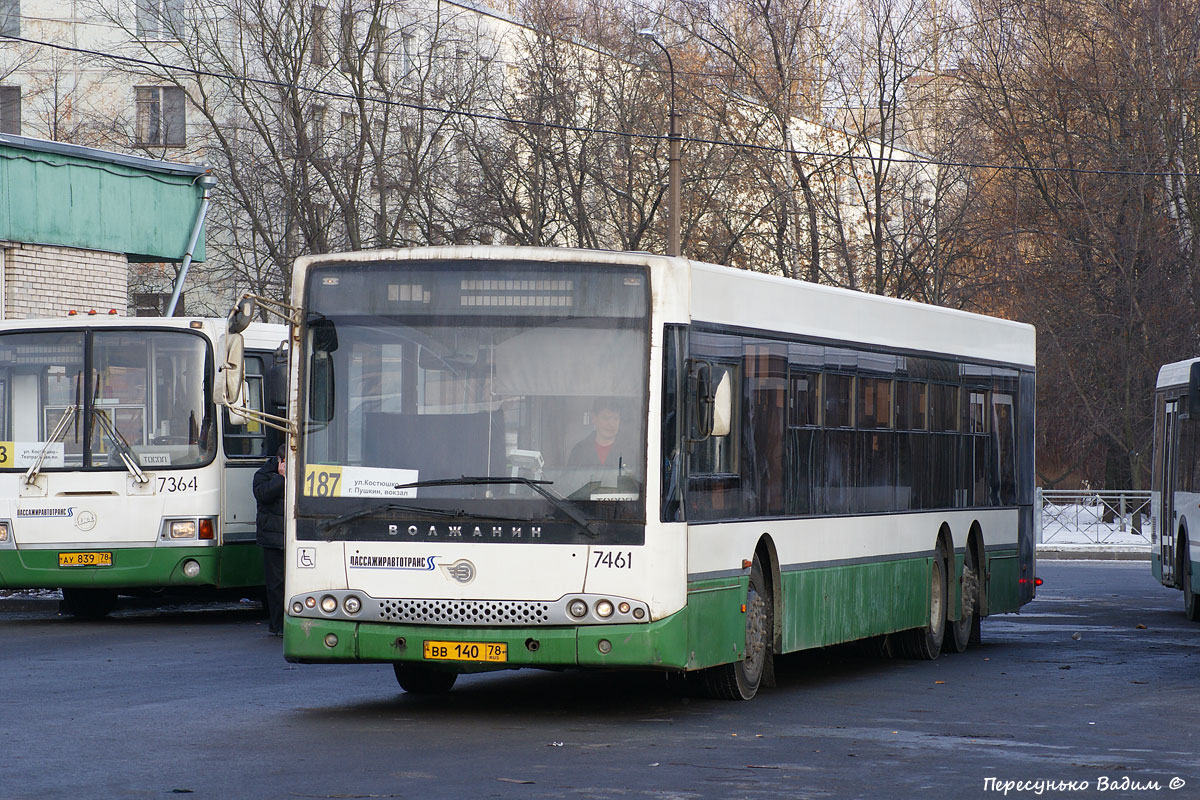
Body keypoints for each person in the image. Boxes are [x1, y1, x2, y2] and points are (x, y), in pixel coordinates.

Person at [254, 443, 287, 636]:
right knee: (276, 585)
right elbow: (263, 495)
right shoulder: (263, 475)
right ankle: (277, 625)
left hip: (292, 537)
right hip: (273, 538)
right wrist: (281, 478)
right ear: (279, 461)